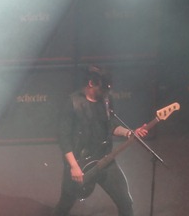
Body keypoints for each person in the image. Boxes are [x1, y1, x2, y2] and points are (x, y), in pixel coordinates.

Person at [53, 66, 149, 216]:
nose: (105, 92)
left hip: (105, 160)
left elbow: (111, 126)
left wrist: (130, 133)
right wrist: (73, 166)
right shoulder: (72, 102)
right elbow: (63, 137)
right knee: (64, 205)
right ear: (91, 83)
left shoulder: (106, 100)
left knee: (125, 202)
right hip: (80, 162)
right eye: (102, 88)